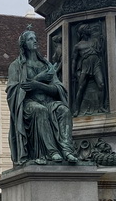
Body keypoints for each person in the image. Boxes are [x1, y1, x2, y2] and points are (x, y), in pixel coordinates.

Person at [6, 29, 78, 166]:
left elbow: (58, 89)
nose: (34, 41)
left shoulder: (47, 65)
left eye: (35, 38)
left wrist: (38, 85)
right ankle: (51, 152)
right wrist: (39, 79)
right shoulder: (16, 66)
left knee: (64, 110)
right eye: (30, 39)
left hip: (48, 101)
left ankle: (67, 150)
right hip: (28, 103)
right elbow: (14, 91)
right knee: (40, 110)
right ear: (23, 44)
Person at [71, 22, 106, 115]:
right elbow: (74, 60)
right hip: (85, 65)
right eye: (88, 28)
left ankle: (101, 107)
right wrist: (73, 72)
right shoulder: (78, 46)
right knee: (81, 87)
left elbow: (100, 52)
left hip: (96, 64)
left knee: (101, 84)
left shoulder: (95, 41)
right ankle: (77, 109)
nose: (90, 29)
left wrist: (102, 43)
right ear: (83, 32)